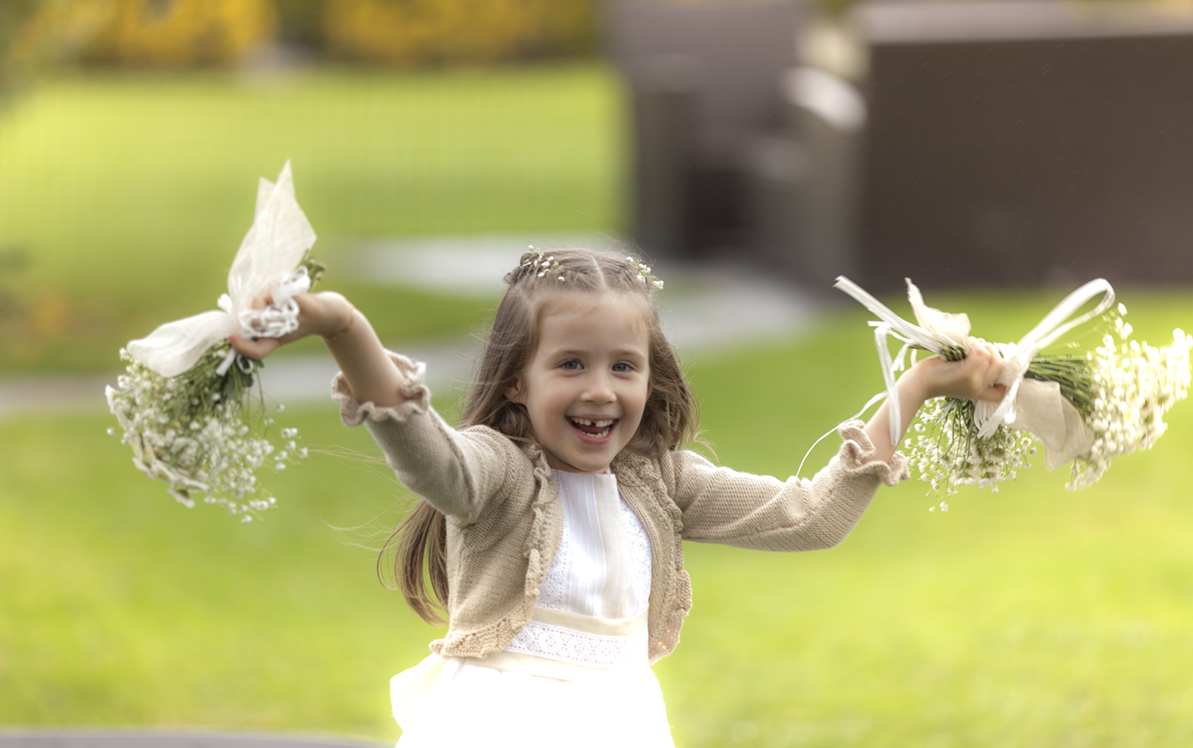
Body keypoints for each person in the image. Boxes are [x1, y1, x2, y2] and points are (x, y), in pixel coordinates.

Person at [229, 247, 1005, 747]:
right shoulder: (497, 473)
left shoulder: (659, 479)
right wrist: (340, 324)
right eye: (569, 364)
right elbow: (425, 453)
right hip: (498, 726)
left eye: (622, 366)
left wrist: (918, 383)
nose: (600, 389)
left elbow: (811, 516)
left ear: (649, 374)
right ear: (515, 382)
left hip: (620, 723)